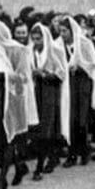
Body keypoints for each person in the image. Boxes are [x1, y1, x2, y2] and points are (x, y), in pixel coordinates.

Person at [0, 17, 35, 189]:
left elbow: (23, 76)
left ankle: (2, 178)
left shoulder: (17, 50)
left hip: (12, 97)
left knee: (9, 135)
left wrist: (1, 76)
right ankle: (19, 165)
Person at [29, 22, 69, 179]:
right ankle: (51, 156)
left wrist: (45, 74)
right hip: (36, 90)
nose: (36, 42)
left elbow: (61, 73)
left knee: (47, 126)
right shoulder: (31, 52)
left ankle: (41, 165)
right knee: (39, 126)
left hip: (49, 91)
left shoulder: (54, 51)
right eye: (34, 39)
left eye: (39, 39)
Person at [60, 15, 95, 168]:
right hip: (68, 83)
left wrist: (81, 66)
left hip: (82, 82)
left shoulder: (83, 43)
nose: (62, 35)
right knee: (70, 118)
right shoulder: (60, 45)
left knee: (82, 118)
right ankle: (72, 153)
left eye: (65, 31)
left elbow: (93, 64)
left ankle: (84, 151)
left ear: (71, 31)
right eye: (61, 31)